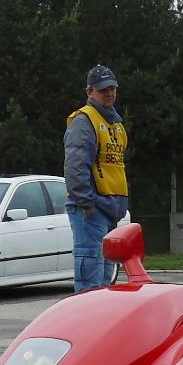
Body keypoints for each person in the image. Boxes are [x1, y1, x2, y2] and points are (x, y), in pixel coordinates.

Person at [64, 64, 129, 293]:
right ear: (89, 91)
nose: (109, 93)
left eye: (112, 88)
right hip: (92, 210)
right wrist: (87, 203)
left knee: (104, 282)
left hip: (109, 210)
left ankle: (101, 324)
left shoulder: (116, 125)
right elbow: (75, 166)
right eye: (103, 90)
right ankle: (85, 325)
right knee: (89, 278)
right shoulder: (84, 121)